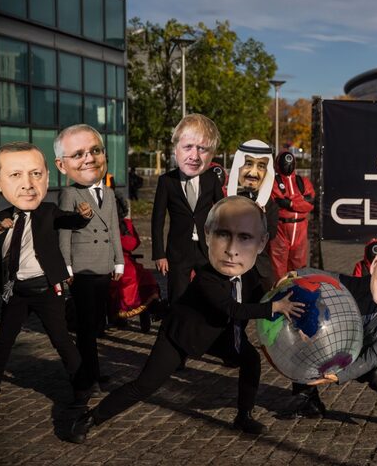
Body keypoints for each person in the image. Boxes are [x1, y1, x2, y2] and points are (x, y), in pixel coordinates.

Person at [68, 196, 305, 443]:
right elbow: (232, 309)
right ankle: (89, 418)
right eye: (224, 236)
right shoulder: (207, 277)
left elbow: (262, 299)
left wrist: (288, 309)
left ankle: (243, 416)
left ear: (260, 243)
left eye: (245, 238)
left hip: (217, 335)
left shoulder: (249, 274)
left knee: (250, 360)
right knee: (144, 386)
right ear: (209, 237)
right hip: (180, 336)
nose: (233, 250)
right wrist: (273, 306)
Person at [289, 232, 377, 433]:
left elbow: (373, 357)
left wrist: (338, 376)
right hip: (343, 343)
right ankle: (308, 401)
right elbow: (329, 278)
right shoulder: (356, 286)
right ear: (374, 265)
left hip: (374, 357)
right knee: (306, 341)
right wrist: (297, 275)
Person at [0, 142, 93, 398]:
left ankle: (82, 383)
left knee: (61, 338)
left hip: (47, 288)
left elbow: (69, 220)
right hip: (15, 291)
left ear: (46, 177)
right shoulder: (0, 217)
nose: (27, 184)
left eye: (35, 174)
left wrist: (84, 216)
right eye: (15, 175)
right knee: (4, 340)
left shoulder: (48, 211)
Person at [55, 125, 123, 403]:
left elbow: (115, 229)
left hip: (104, 267)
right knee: (84, 326)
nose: (90, 158)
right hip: (81, 268)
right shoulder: (70, 194)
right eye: (79, 154)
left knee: (96, 323)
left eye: (95, 150)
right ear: (63, 165)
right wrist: (66, 267)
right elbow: (64, 232)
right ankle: (86, 375)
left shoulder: (107, 193)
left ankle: (94, 371)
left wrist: (118, 262)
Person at [151, 114, 224, 306]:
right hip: (178, 252)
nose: (195, 155)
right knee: (178, 298)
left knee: (210, 296)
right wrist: (159, 254)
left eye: (202, 149)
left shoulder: (211, 179)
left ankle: (204, 333)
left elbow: (224, 212)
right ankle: (175, 332)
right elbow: (157, 220)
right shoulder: (167, 181)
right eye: (188, 147)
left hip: (206, 251)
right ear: (176, 149)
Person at [227, 139, 278, 291]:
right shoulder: (225, 200)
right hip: (229, 267)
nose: (253, 173)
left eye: (261, 166)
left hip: (259, 270)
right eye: (248, 163)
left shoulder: (270, 205)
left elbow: (271, 234)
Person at [108, 195, 161, 333]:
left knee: (144, 275)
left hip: (126, 259)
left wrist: (122, 233)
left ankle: (150, 305)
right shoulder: (103, 224)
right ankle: (123, 308)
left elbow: (133, 244)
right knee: (128, 276)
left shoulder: (125, 224)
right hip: (108, 260)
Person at [269, 151, 315, 280]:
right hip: (280, 229)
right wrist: (300, 200)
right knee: (278, 268)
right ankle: (278, 296)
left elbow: (310, 203)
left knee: (299, 267)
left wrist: (289, 203)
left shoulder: (303, 181)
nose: (287, 165)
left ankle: (298, 295)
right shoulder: (273, 182)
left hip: (300, 229)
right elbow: (276, 200)